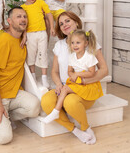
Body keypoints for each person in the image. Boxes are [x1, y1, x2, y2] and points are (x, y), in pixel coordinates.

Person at [40, 11, 108, 145]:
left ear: (76, 22)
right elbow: (54, 71)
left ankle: (86, 127)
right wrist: (58, 84)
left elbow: (104, 70)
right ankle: (75, 131)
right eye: (60, 24)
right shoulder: (59, 46)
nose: (64, 25)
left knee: (70, 102)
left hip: (85, 88)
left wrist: (83, 81)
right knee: (46, 101)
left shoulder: (89, 43)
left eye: (67, 21)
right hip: (67, 87)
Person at [0, 7, 40, 144]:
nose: (23, 19)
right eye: (18, 16)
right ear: (9, 21)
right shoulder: (4, 41)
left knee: (35, 107)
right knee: (5, 138)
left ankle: (6, 117)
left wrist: (25, 34)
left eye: (25, 16)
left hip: (13, 94)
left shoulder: (22, 41)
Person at [42, 29, 103, 124]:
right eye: (73, 43)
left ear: (86, 43)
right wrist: (72, 75)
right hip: (76, 82)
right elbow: (69, 71)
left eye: (78, 43)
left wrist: (77, 74)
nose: (75, 45)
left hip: (87, 84)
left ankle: (56, 111)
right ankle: (57, 111)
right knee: (64, 89)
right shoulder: (72, 57)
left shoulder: (89, 57)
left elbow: (92, 73)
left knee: (65, 89)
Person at [21, 0, 55, 88]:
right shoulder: (23, 8)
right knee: (31, 55)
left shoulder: (41, 3)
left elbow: (49, 14)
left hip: (42, 33)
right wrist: (24, 36)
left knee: (43, 53)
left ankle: (44, 77)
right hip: (30, 35)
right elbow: (23, 23)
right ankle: (33, 76)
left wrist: (52, 27)